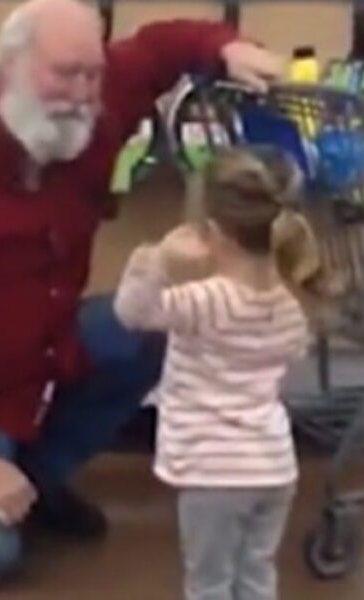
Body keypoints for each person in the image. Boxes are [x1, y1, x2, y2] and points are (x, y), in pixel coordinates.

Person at [0, 0, 285, 589]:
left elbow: (159, 48)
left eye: (93, 74)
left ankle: (31, 475)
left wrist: (224, 47)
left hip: (33, 350)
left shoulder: (92, 108)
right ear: (8, 66)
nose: (83, 93)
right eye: (64, 74)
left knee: (153, 326)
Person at [114, 146, 334, 600]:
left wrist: (155, 260)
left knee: (209, 584)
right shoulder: (293, 306)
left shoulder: (204, 302)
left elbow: (132, 313)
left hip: (214, 472)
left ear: (210, 232)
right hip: (273, 466)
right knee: (256, 574)